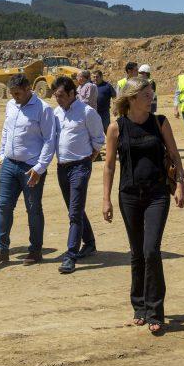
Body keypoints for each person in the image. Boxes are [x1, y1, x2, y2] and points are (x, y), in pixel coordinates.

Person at [102, 77, 184, 334]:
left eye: (152, 94)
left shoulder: (160, 122)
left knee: (151, 250)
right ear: (132, 98)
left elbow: (174, 155)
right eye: (147, 95)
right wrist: (105, 198)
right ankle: (139, 306)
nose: (152, 99)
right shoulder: (116, 128)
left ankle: (155, 310)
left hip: (157, 195)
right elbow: (109, 165)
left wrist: (180, 183)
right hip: (128, 195)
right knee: (137, 252)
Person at [0, 73, 56, 265]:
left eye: (17, 93)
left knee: (33, 209)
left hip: (31, 168)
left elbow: (49, 141)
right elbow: (6, 130)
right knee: (4, 207)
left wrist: (40, 168)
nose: (14, 97)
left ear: (28, 89)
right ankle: (2, 249)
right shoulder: (11, 105)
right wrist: (2, 155)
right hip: (9, 165)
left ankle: (35, 251)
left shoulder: (43, 109)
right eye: (12, 93)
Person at [52, 76, 105, 274]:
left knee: (74, 212)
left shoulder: (86, 112)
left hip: (80, 167)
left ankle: (71, 255)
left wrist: (92, 154)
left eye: (62, 95)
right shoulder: (55, 113)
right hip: (62, 167)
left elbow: (99, 137)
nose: (58, 99)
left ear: (73, 93)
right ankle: (89, 242)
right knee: (76, 208)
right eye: (56, 95)